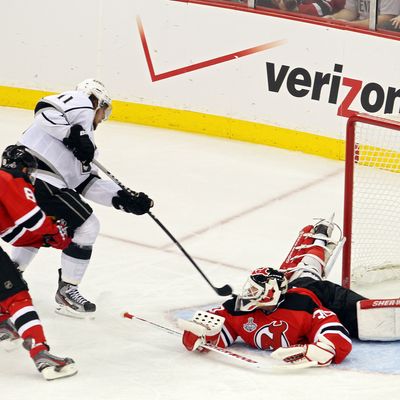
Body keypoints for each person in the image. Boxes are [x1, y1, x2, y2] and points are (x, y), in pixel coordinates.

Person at [10, 79, 154, 318]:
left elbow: (85, 183)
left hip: (31, 177)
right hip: (35, 172)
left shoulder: (88, 145)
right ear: (98, 101)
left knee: (37, 227)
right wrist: (72, 134)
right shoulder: (81, 103)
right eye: (104, 112)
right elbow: (43, 110)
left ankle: (8, 282)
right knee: (87, 226)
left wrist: (123, 199)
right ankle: (67, 290)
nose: (101, 119)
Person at [179, 217, 400, 367]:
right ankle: (317, 236)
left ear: (270, 294)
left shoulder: (301, 306)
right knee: (300, 274)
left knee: (367, 318)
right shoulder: (240, 308)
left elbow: (336, 333)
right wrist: (201, 335)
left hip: (323, 296)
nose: (249, 294)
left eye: (256, 290)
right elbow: (219, 324)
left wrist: (322, 350)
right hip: (294, 286)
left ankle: (319, 237)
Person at [0, 145, 77, 380]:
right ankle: (41, 354)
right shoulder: (10, 178)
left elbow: (12, 232)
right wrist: (54, 232)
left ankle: (3, 325)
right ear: (24, 168)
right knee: (17, 297)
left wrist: (45, 235)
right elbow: (33, 220)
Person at [327, 0, 400, 28]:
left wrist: (351, 24)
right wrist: (333, 18)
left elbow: (387, 18)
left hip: (380, 34)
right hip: (359, 28)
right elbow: (350, 11)